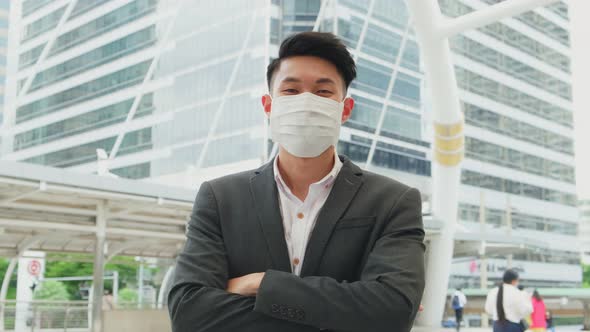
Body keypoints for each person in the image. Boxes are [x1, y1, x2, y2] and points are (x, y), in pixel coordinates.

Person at [168, 31, 426, 332]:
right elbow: (189, 312)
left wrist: (261, 283)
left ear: (345, 109)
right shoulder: (220, 198)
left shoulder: (393, 201)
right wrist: (346, 313)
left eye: (323, 92)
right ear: (268, 105)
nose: (306, 102)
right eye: (291, 91)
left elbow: (393, 311)